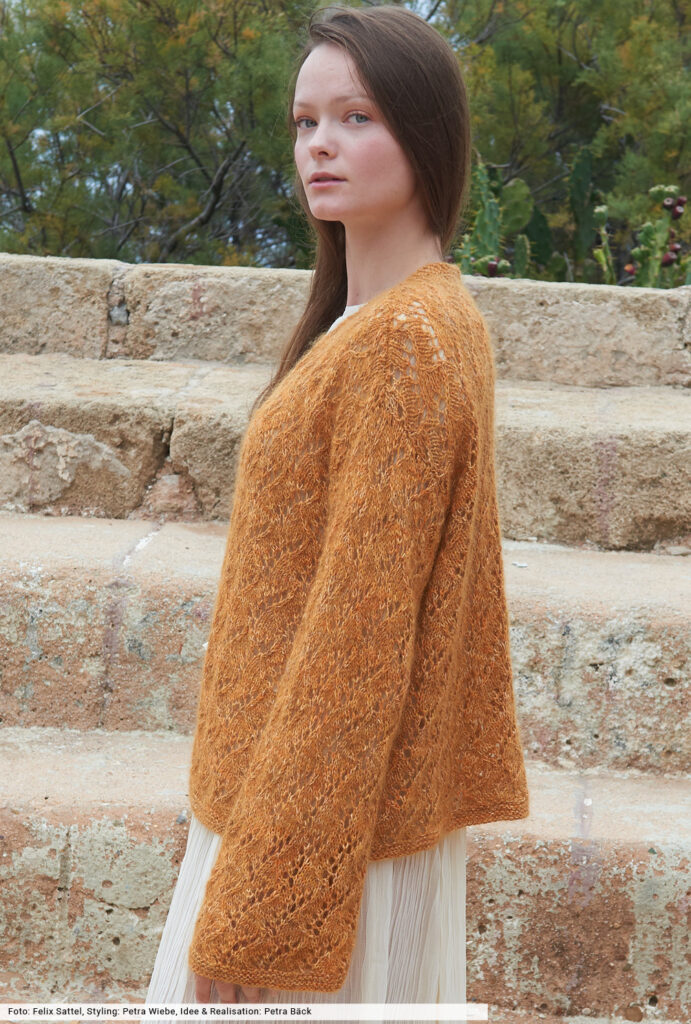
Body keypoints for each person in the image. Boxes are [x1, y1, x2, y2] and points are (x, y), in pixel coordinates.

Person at [145, 3, 530, 1019]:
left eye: (356, 117)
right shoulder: (387, 322)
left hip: (317, 836)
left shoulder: (404, 342)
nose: (319, 143)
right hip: (304, 811)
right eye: (304, 121)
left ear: (427, 134)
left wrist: (266, 898)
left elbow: (355, 639)